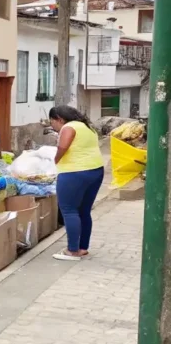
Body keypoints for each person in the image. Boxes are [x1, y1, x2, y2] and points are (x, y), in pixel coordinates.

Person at [48, 105, 105, 262]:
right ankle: (82, 248)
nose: (52, 126)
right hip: (95, 170)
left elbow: (63, 147)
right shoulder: (88, 127)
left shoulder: (69, 127)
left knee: (69, 210)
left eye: (52, 122)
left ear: (58, 119)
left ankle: (72, 251)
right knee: (84, 211)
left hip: (74, 172)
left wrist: (55, 160)